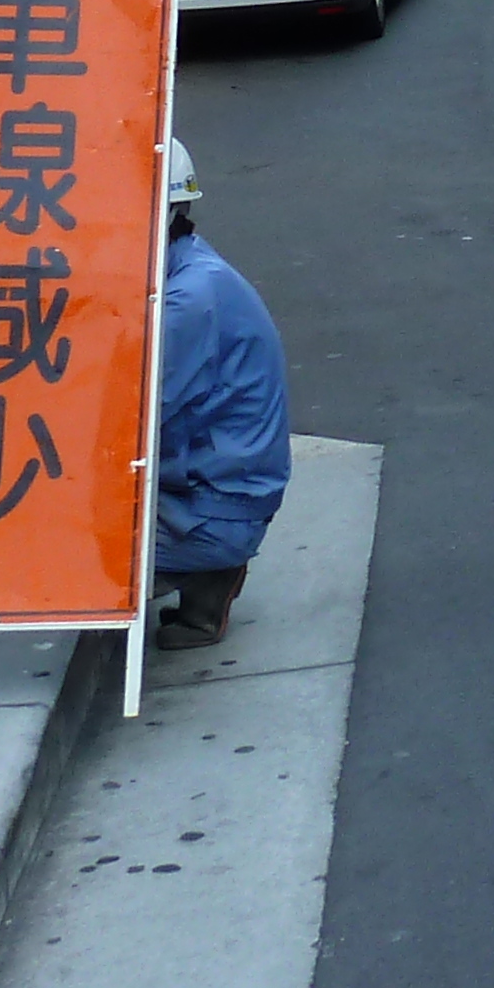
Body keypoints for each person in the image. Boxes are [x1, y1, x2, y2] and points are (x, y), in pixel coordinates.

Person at [151, 138, 289, 649]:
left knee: (58, 550)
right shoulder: (188, 266)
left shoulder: (189, 300)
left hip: (214, 509)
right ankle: (207, 580)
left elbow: (136, 417)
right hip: (222, 494)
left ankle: (208, 564)